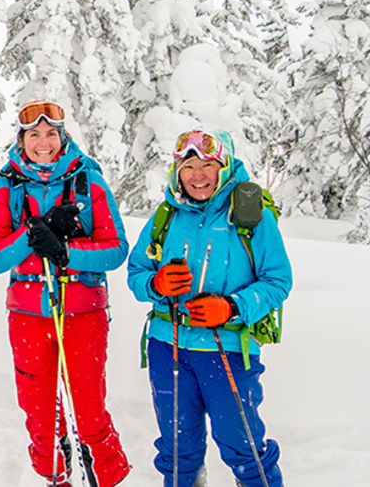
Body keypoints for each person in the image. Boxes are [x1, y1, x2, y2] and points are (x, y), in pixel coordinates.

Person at [0, 100, 132, 487]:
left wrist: (66, 252)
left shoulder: (88, 182)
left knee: (89, 412)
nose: (42, 142)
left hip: (82, 311)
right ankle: (56, 479)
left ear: (62, 137)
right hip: (28, 314)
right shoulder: (8, 187)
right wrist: (34, 231)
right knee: (41, 416)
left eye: (50, 134)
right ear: (22, 139)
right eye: (34, 134)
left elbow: (115, 250)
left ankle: (105, 478)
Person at [126, 128, 290, 487]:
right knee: (177, 451)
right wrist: (157, 284)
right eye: (188, 166)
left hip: (227, 350)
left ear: (224, 167)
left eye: (207, 165)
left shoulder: (250, 214)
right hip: (166, 346)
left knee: (243, 448)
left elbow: (278, 281)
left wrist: (231, 307)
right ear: (176, 172)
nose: (197, 175)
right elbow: (136, 272)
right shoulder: (167, 215)